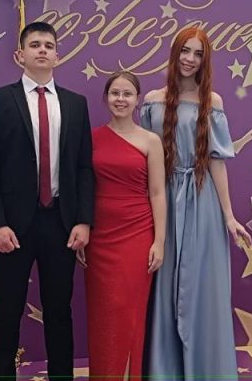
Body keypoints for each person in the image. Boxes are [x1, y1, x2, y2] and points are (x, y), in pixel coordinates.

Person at [0, 21, 95, 380]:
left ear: (58, 55)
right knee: (7, 309)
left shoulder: (76, 104)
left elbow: (84, 168)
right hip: (12, 226)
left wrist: (83, 220)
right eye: (35, 45)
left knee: (59, 310)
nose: (42, 50)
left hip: (61, 222)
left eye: (49, 45)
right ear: (20, 55)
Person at [141, 27, 252, 380]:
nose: (190, 59)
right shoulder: (152, 100)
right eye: (185, 51)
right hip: (162, 200)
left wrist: (229, 216)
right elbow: (142, 158)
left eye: (198, 54)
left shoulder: (213, 102)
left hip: (202, 200)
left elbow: (216, 162)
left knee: (204, 287)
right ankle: (165, 371)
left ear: (206, 60)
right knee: (164, 285)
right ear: (174, 53)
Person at [84, 71, 166, 381]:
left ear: (137, 100)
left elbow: (157, 193)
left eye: (127, 94)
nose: (120, 99)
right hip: (99, 236)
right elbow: (81, 188)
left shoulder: (151, 141)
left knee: (129, 311)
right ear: (106, 98)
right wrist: (83, 230)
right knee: (103, 313)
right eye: (115, 93)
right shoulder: (90, 138)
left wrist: (159, 241)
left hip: (137, 233)